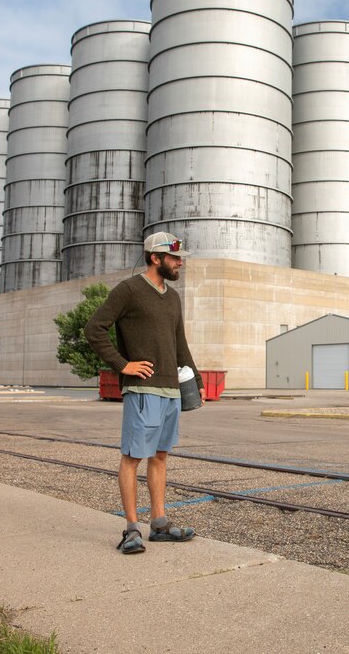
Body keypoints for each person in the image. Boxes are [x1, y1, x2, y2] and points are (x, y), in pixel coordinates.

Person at [85, 231, 205, 555]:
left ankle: (160, 524)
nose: (180, 263)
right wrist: (122, 365)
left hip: (170, 390)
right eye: (175, 258)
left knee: (161, 456)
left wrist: (196, 379)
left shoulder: (174, 297)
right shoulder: (130, 290)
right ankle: (131, 529)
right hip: (142, 390)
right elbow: (94, 329)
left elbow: (180, 342)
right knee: (132, 457)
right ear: (156, 258)